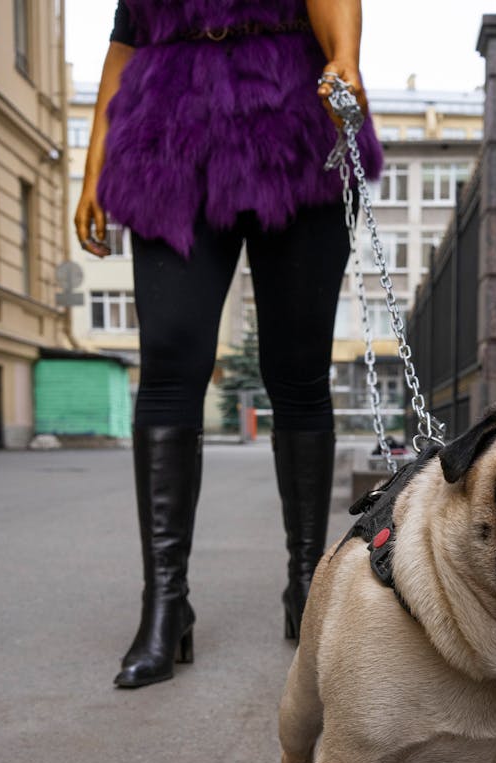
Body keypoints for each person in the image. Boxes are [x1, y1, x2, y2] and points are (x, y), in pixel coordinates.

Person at [74, 0, 383, 688]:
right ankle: (165, 604)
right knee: (169, 363)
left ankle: (308, 588)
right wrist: (93, 162)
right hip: (167, 135)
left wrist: (345, 59)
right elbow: (127, 37)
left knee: (299, 368)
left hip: (294, 122)